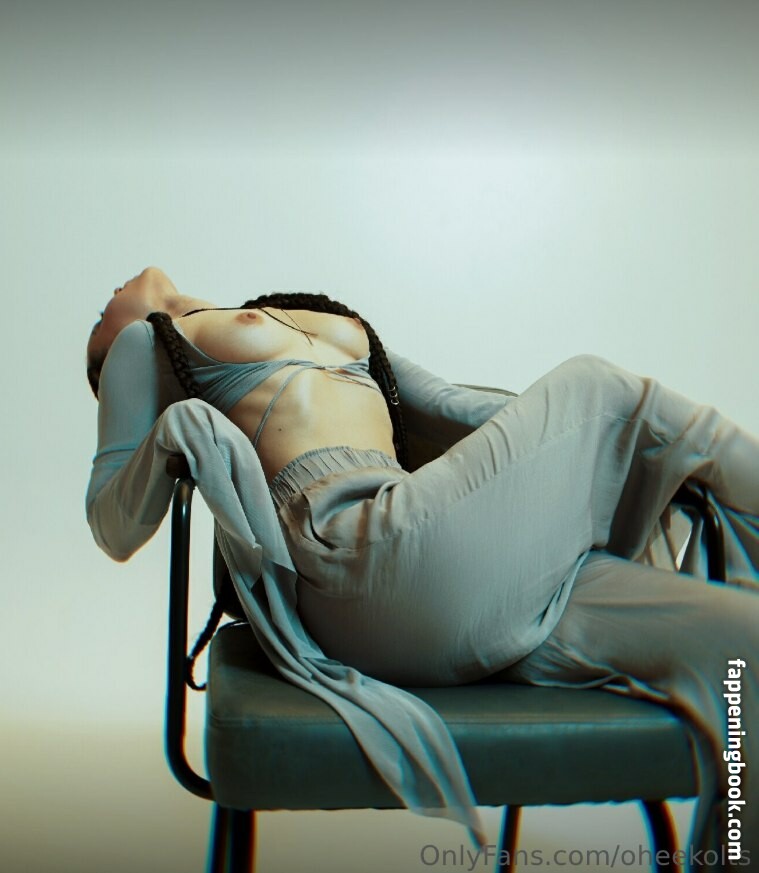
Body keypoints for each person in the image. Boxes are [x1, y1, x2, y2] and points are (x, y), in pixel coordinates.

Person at [86, 267, 758, 869]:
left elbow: (456, 409)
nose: (106, 304)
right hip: (356, 558)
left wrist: (564, 449)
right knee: (598, 388)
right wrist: (171, 433)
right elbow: (112, 526)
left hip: (444, 549)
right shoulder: (145, 344)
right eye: (96, 326)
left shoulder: (298, 313)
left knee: (742, 640)